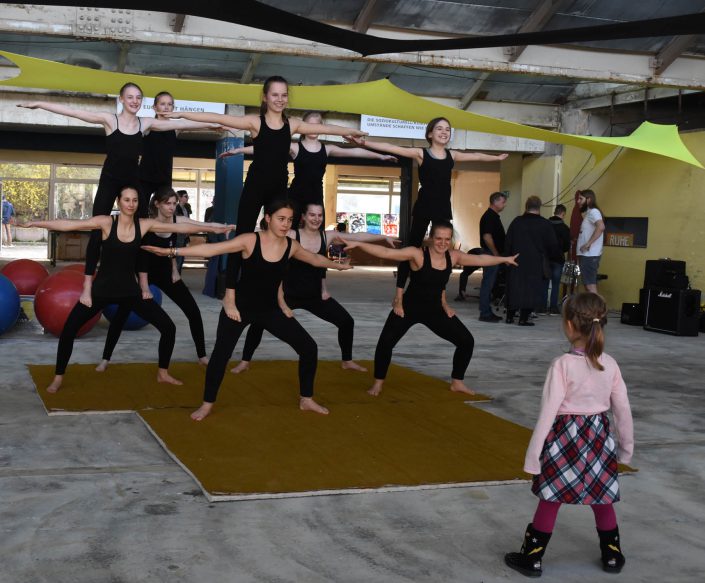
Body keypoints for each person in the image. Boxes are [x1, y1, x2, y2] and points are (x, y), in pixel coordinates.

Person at [162, 75, 367, 322]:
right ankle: (230, 294)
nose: (280, 99)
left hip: (279, 189)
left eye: (284, 95)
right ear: (265, 97)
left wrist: (351, 131)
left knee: (280, 239)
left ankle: (278, 294)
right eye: (275, 95)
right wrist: (180, 114)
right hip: (255, 187)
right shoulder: (255, 122)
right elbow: (218, 118)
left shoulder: (292, 124)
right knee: (241, 238)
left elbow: (325, 129)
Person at [142, 200, 353, 421]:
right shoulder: (251, 240)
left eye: (289, 220)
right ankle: (207, 404)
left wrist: (339, 266)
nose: (285, 224)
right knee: (221, 356)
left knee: (309, 348)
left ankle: (306, 399)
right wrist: (171, 251)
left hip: (270, 310)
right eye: (281, 219)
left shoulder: (291, 246)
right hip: (239, 309)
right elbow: (212, 249)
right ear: (268, 218)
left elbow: (315, 259)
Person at [18, 186, 232, 394]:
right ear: (119, 202)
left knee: (169, 328)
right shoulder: (106, 222)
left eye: (135, 200)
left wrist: (216, 228)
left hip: (130, 291)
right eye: (127, 200)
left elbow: (183, 228)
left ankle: (163, 373)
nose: (131, 204)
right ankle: (58, 377)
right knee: (69, 331)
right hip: (101, 291)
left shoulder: (144, 225)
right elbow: (70, 224)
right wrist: (35, 223)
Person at [18, 83, 217, 307]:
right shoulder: (110, 120)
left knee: (142, 229)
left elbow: (183, 124)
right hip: (110, 180)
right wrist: (39, 103)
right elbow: (75, 112)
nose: (134, 101)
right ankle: (88, 285)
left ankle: (142, 282)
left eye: (138, 97)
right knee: (96, 230)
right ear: (121, 99)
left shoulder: (144, 123)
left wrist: (213, 124)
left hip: (132, 181)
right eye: (130, 97)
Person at [504, 292, 633, 578]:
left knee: (551, 497)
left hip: (564, 439)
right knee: (602, 497)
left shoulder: (562, 365)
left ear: (570, 325)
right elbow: (622, 409)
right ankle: (613, 555)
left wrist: (533, 456)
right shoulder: (610, 364)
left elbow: (548, 412)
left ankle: (532, 558)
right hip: (599, 438)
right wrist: (626, 448)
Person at [347, 119, 508, 317]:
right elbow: (391, 147)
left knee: (444, 253)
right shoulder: (421, 153)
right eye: (439, 128)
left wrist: (496, 158)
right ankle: (399, 295)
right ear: (430, 134)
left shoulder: (452, 155)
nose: (444, 132)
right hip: (424, 207)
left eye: (447, 129)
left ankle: (441, 298)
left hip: (442, 209)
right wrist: (363, 143)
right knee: (410, 249)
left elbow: (476, 156)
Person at [342, 221, 518, 397]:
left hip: (435, 310)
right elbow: (387, 252)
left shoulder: (453, 256)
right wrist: (359, 244)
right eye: (439, 238)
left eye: (447, 239)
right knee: (385, 343)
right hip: (409, 308)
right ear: (431, 238)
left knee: (466, 341)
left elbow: (480, 259)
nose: (443, 243)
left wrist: (504, 259)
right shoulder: (417, 254)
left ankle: (457, 382)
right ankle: (378, 383)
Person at [230, 202, 398, 375]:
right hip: (288, 295)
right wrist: (237, 229)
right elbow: (264, 233)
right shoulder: (292, 234)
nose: (316, 219)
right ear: (303, 217)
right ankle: (245, 361)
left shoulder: (328, 236)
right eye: (312, 215)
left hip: (314, 295)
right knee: (259, 323)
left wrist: (383, 237)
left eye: (319, 215)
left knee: (347, 321)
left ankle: (347, 361)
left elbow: (357, 236)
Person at [97, 186, 235, 371]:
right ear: (157, 204)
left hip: (166, 273)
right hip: (143, 273)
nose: (172, 207)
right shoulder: (147, 224)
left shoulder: (178, 220)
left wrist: (223, 228)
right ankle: (105, 359)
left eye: (174, 203)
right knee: (122, 314)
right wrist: (143, 286)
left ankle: (202, 355)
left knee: (193, 311)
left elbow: (201, 225)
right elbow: (141, 257)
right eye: (167, 203)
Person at [221, 110, 396, 227]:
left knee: (318, 232)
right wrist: (238, 150)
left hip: (316, 195)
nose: (313, 129)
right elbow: (264, 148)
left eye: (316, 125)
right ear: (304, 127)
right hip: (296, 195)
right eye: (310, 125)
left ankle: (318, 272)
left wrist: (380, 156)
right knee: (289, 230)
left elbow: (355, 152)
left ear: (321, 127)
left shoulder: (328, 149)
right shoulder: (295, 147)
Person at [138, 91, 217, 215]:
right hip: (145, 177)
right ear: (154, 107)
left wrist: (213, 125)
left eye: (169, 104)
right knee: (140, 213)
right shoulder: (148, 124)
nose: (166, 107)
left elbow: (195, 123)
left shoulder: (175, 127)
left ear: (173, 108)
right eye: (162, 104)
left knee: (166, 213)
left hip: (164, 178)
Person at [504, 196, 561, 326]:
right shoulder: (545, 224)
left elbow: (508, 241)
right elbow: (553, 245)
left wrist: (506, 257)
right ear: (539, 207)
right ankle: (523, 319)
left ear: (526, 206)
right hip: (536, 262)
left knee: (514, 287)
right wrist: (552, 258)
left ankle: (509, 317)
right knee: (531, 289)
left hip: (516, 259)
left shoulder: (517, 222)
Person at [478, 191, 508, 322]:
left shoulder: (493, 216)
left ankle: (486, 311)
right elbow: (487, 237)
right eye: (503, 202)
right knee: (488, 283)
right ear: (495, 202)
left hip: (491, 253)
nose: (504, 205)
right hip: (490, 254)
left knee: (489, 283)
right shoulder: (489, 217)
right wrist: (496, 254)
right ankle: (485, 313)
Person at [541, 204, 571, 314]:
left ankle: (542, 307)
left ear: (554, 212)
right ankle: (553, 308)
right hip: (558, 259)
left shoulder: (544, 225)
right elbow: (567, 246)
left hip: (545, 258)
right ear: (563, 214)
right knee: (555, 284)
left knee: (544, 283)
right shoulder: (565, 228)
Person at [576, 189, 606, 294]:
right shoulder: (589, 213)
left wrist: (588, 244)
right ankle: (594, 305)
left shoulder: (594, 212)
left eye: (581, 199)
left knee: (590, 287)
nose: (578, 201)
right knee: (588, 287)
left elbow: (601, 227)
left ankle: (598, 305)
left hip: (590, 255)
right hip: (586, 255)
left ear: (588, 199)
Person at [174, 190, 191, 273]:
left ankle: (178, 275)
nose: (187, 198)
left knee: (182, 258)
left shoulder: (186, 208)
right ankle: (176, 276)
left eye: (187, 196)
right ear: (180, 198)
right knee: (178, 258)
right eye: (185, 196)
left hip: (185, 236)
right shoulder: (176, 208)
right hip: (178, 236)